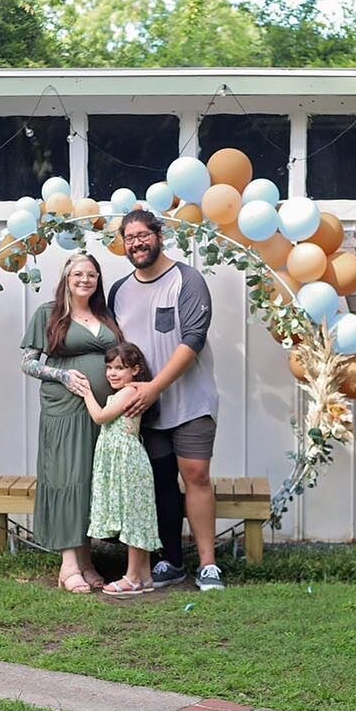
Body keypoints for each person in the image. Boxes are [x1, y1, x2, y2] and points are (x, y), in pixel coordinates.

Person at [107, 209, 224, 591]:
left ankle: (208, 565)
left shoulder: (187, 281)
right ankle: (171, 561)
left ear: (159, 235)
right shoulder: (119, 291)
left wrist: (155, 385)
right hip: (145, 410)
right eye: (129, 238)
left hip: (190, 403)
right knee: (159, 482)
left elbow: (193, 340)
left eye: (143, 235)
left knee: (196, 476)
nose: (137, 243)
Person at [20, 252, 122, 594]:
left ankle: (86, 560)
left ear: (98, 280)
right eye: (78, 273)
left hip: (101, 409)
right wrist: (62, 376)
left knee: (90, 480)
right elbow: (28, 363)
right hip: (63, 408)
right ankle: (68, 565)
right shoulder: (48, 313)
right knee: (67, 477)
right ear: (67, 277)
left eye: (92, 274)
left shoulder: (104, 315)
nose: (85, 279)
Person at [77, 342, 160, 597]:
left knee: (134, 517)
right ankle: (143, 576)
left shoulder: (128, 392)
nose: (112, 373)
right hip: (120, 460)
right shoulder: (125, 391)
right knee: (132, 514)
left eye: (120, 368)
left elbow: (101, 417)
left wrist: (86, 393)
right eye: (109, 367)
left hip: (128, 461)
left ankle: (133, 577)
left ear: (135, 370)